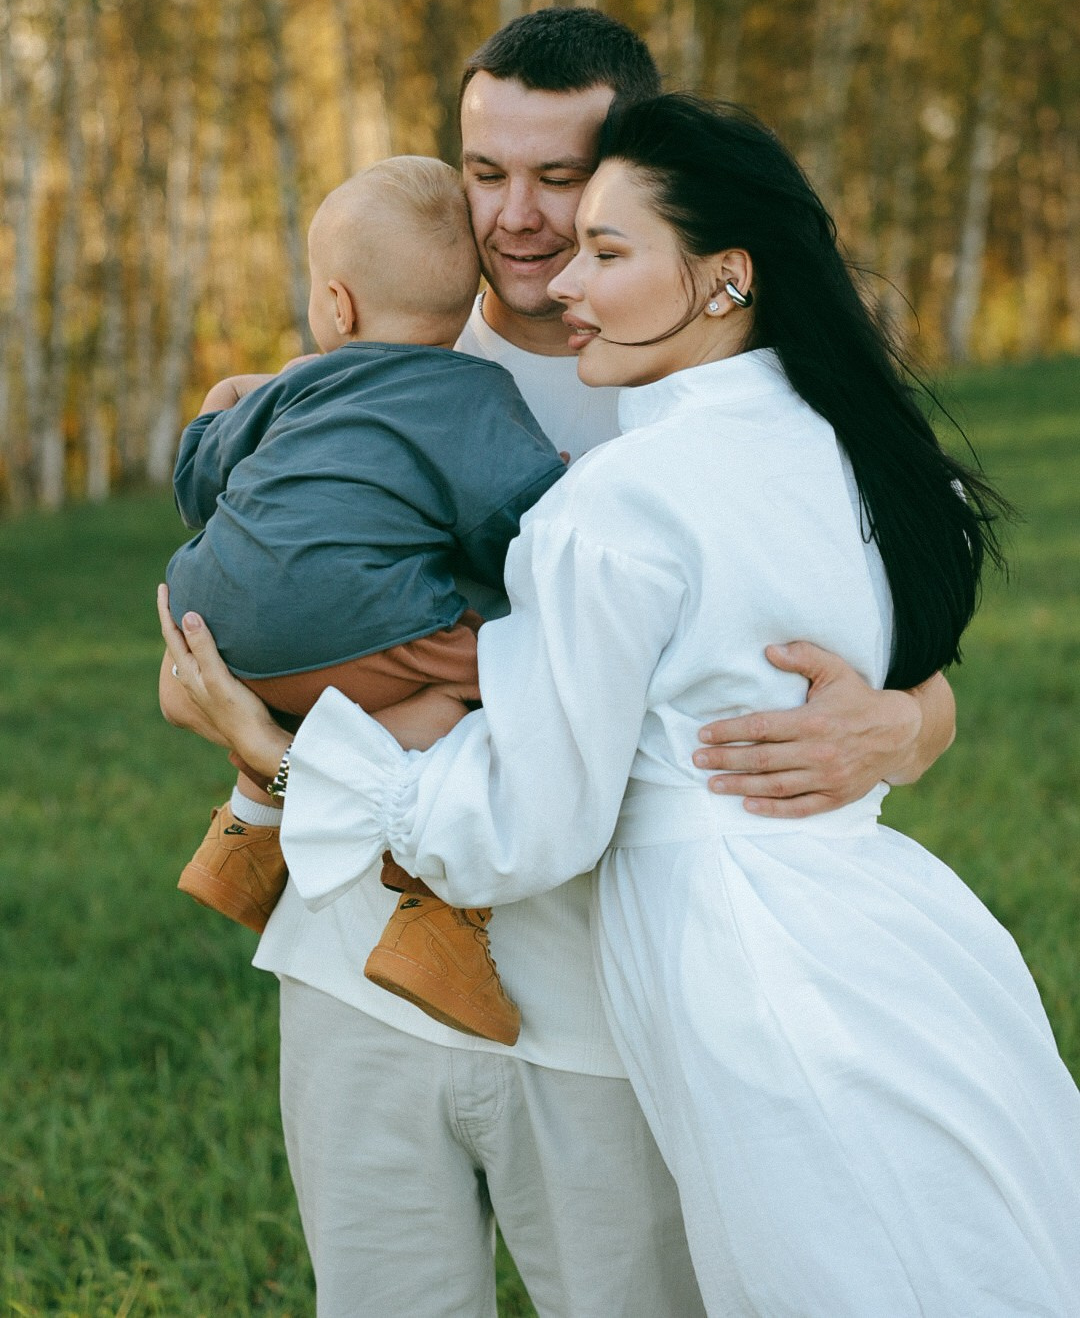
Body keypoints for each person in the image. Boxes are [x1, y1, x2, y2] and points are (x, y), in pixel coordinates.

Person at [167, 93, 1080, 1316]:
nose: (528, 226)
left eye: (577, 198)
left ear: (708, 264)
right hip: (385, 974)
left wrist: (911, 720)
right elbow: (247, 600)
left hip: (631, 993)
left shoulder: (641, 456)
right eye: (486, 171)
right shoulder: (379, 361)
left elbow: (831, 656)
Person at [161, 156, 565, 1045]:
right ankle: (436, 920)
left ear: (337, 305)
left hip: (209, 615)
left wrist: (220, 406)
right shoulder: (474, 391)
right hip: (350, 623)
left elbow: (199, 484)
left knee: (350, 652)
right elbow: (520, 533)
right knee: (507, 675)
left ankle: (250, 828)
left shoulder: (298, 381)